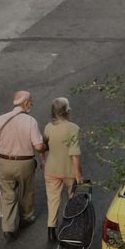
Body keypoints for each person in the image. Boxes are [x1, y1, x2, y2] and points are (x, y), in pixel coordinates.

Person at [0, 91, 45, 241]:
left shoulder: (0, 120)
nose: (31, 104)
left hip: (4, 162)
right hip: (25, 162)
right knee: (26, 191)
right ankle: (26, 217)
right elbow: (38, 147)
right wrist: (46, 147)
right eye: (31, 101)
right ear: (25, 103)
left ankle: (8, 227)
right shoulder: (31, 121)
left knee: (8, 194)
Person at [40, 97, 83, 241]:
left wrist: (43, 160)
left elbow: (43, 146)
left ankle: (51, 230)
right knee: (72, 198)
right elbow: (74, 153)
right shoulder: (73, 128)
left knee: (53, 200)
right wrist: (78, 174)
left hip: (51, 169)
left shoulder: (48, 127)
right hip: (68, 170)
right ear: (67, 110)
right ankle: (72, 225)